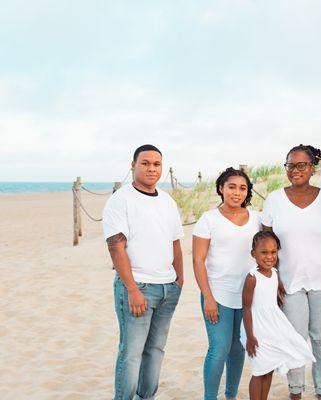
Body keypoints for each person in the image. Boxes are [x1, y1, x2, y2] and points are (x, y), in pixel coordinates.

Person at [102, 144, 184, 400]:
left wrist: (179, 281)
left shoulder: (168, 201)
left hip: (167, 288)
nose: (151, 168)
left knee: (156, 349)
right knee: (131, 352)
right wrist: (132, 289)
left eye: (156, 164)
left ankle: (146, 396)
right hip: (138, 287)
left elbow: (175, 243)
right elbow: (116, 247)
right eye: (145, 163)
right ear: (133, 165)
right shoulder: (121, 199)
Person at [261, 144, 321, 400]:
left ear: (312, 167)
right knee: (295, 339)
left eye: (301, 165)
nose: (295, 170)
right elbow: (266, 243)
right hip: (289, 281)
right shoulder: (275, 199)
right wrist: (273, 279)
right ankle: (295, 392)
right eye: (290, 165)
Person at [192, 167, 261, 400]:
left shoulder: (257, 219)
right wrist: (208, 298)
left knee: (238, 348)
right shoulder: (208, 219)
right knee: (218, 349)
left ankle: (230, 396)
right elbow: (198, 260)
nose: (237, 193)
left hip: (247, 296)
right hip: (217, 294)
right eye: (231, 187)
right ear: (221, 188)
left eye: (243, 188)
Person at [242, 231, 316, 400]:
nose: (269, 256)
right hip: (256, 328)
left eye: (273, 252)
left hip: (272, 327)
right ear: (253, 254)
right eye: (264, 252)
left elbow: (276, 294)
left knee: (269, 369)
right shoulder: (252, 278)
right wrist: (250, 337)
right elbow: (246, 308)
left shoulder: (275, 273)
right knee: (259, 370)